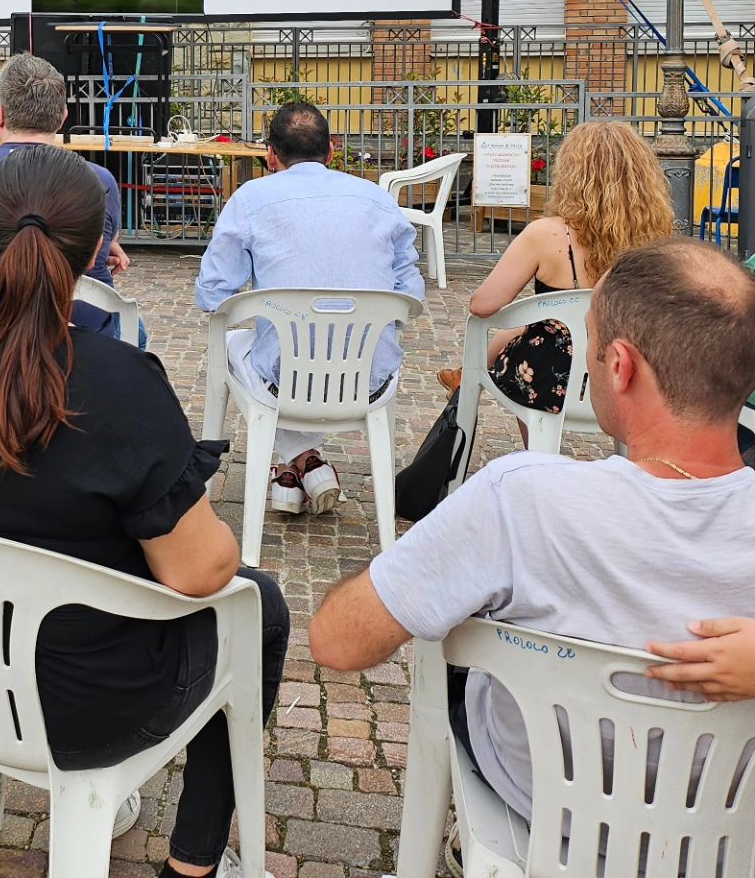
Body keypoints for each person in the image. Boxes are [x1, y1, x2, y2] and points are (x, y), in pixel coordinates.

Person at [0, 144, 288, 878]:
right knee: (258, 603)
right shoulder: (118, 382)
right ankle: (194, 865)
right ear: (98, 255)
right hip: (85, 706)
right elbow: (202, 573)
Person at [310, 238, 755, 829]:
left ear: (621, 367)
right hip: (727, 822)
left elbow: (337, 643)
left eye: (590, 347)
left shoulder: (522, 497)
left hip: (549, 798)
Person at [195, 101, 423, 516]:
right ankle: (307, 463)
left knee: (251, 344)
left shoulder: (250, 199)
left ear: (270, 155)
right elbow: (411, 294)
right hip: (369, 377)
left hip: (286, 381)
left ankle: (293, 466)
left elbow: (213, 295)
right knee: (291, 347)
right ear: (332, 150)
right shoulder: (377, 200)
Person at [437, 121, 674, 413]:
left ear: (571, 174)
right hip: (625, 374)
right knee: (536, 324)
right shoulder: (658, 239)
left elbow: (483, 305)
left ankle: (537, 448)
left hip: (552, 376)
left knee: (535, 333)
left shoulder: (545, 234)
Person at [0, 53, 136, 341]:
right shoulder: (98, 179)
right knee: (138, 334)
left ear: (1, 115)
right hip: (81, 327)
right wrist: (105, 242)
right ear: (62, 117)